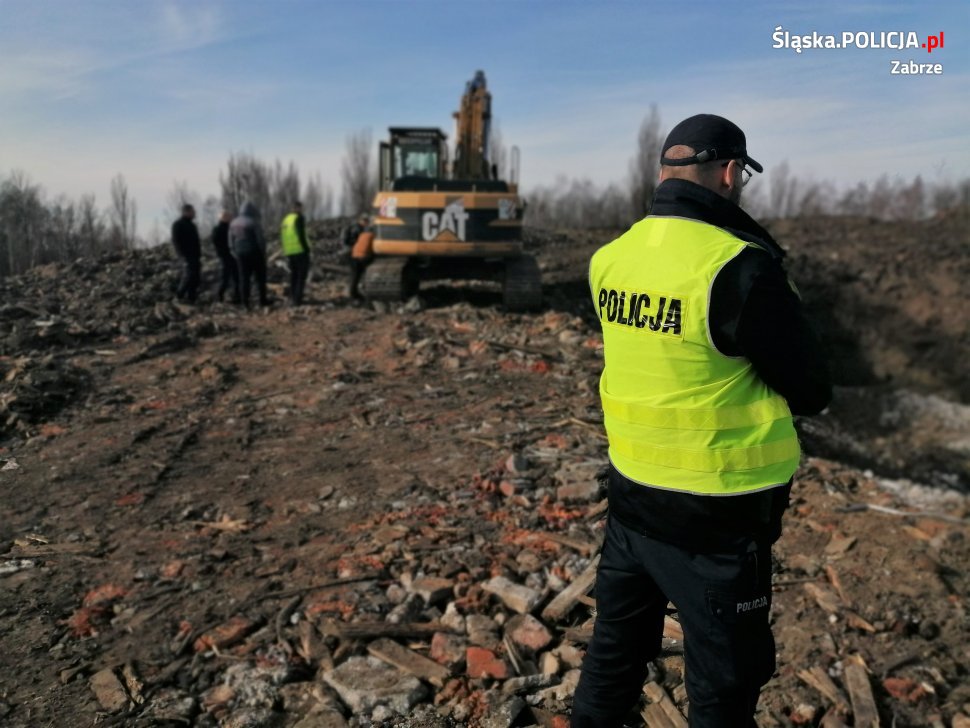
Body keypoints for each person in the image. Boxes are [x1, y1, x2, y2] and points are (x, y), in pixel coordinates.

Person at [572, 114, 832, 728]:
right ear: (730, 172)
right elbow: (811, 389)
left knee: (613, 654)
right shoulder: (738, 266)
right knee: (723, 683)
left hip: (632, 497)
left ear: (664, 171)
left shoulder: (611, 259)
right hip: (718, 514)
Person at [229, 200, 268, 309]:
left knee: (243, 278)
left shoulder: (233, 223)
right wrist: (263, 252)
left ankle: (245, 303)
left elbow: (230, 240)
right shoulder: (253, 222)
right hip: (255, 253)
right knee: (260, 277)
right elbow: (260, 240)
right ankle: (262, 300)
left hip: (240, 254)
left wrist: (234, 252)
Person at [280, 201, 311, 305]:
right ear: (297, 208)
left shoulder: (286, 219)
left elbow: (282, 236)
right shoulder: (298, 218)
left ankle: (293, 297)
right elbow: (301, 235)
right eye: (300, 208)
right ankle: (298, 300)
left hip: (289, 252)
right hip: (300, 251)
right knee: (301, 276)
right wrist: (307, 249)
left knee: (293, 276)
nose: (301, 210)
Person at [171, 204, 201, 303]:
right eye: (192, 211)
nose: (194, 213)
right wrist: (182, 256)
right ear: (186, 212)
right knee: (188, 275)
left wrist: (199, 254)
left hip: (195, 255)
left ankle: (191, 298)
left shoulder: (192, 225)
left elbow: (196, 241)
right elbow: (176, 241)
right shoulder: (178, 224)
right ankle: (179, 295)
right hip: (185, 255)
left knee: (196, 277)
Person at [211, 210, 239, 303]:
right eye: (228, 216)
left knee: (236, 277)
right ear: (223, 218)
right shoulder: (218, 229)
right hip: (225, 256)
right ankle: (219, 295)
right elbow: (216, 243)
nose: (230, 218)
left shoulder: (231, 228)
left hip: (232, 255)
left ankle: (237, 297)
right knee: (225, 277)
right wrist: (222, 253)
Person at [342, 213, 372, 300]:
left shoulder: (358, 228)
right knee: (355, 273)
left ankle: (354, 292)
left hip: (352, 252)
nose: (366, 222)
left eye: (367, 221)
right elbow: (354, 241)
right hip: (352, 253)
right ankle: (353, 293)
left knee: (356, 273)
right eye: (365, 220)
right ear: (360, 220)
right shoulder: (357, 228)